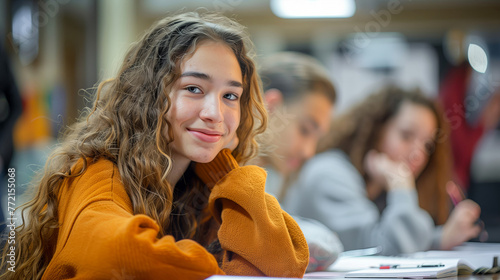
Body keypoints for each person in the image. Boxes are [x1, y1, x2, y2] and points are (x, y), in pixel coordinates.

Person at [1, 12, 309, 279]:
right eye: (193, 88)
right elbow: (118, 257)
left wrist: (223, 171)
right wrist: (217, 265)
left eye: (230, 96)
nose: (215, 114)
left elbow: (283, 264)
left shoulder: (196, 187)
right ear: (148, 97)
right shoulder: (99, 173)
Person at [283, 86, 482, 256]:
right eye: (406, 136)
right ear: (376, 130)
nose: (418, 154)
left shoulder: (378, 189)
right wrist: (401, 186)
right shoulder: (328, 173)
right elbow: (384, 247)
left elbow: (399, 240)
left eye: (427, 145)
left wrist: (441, 238)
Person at [252, 52, 343, 271]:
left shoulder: (272, 178)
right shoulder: (216, 168)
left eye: (317, 138)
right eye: (305, 130)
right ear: (271, 106)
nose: (309, 152)